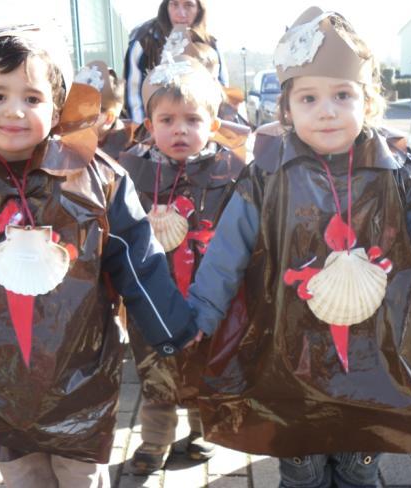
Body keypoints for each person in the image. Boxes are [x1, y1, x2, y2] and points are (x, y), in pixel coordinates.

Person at [186, 7, 411, 488]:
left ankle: (356, 471)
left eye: (342, 95)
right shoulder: (268, 173)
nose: (327, 109)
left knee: (361, 455)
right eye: (309, 97)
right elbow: (229, 250)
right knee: (301, 458)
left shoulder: (393, 169)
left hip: (380, 346)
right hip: (289, 347)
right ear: (287, 109)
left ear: (367, 101)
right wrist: (201, 315)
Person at [0, 25, 198, 488]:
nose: (14, 111)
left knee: (80, 477)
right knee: (23, 477)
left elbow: (137, 258)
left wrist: (170, 328)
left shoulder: (97, 180)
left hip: (80, 375)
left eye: (32, 99)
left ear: (58, 107)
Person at [118, 53, 248, 474]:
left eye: (192, 120)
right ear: (150, 124)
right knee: (156, 370)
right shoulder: (131, 171)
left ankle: (200, 433)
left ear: (212, 125)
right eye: (167, 119)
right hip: (153, 294)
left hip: (209, 291)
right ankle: (154, 442)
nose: (179, 130)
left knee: (204, 368)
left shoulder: (230, 171)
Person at [123, 0, 228, 123]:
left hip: (200, 131)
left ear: (199, 8)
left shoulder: (210, 43)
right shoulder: (144, 41)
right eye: (174, 4)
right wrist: (145, 133)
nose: (181, 13)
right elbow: (133, 94)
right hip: (156, 132)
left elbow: (222, 91)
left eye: (189, 5)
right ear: (166, 6)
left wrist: (209, 134)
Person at [75, 60, 140, 160]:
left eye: (86, 115)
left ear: (109, 118)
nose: (77, 120)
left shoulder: (137, 143)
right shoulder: (73, 141)